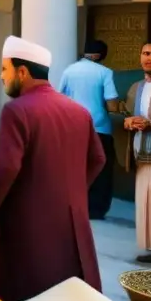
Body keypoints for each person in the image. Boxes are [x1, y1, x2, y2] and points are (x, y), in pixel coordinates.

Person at [0, 36, 104, 301]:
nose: (1, 77)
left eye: (4, 69)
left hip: (26, 221)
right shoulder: (79, 111)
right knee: (68, 296)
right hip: (71, 219)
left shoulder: (17, 110)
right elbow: (98, 159)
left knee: (24, 298)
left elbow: (5, 166)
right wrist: (73, 192)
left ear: (22, 72)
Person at [58, 39, 119, 219]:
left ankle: (74, 206)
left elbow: (60, 98)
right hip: (99, 129)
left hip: (73, 128)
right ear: (101, 55)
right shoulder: (105, 72)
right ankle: (96, 209)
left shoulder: (69, 70)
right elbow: (112, 105)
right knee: (102, 169)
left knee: (76, 168)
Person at [121, 41, 151, 264]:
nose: (148, 57)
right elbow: (126, 113)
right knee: (144, 201)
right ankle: (150, 248)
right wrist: (129, 122)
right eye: (145, 53)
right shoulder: (136, 87)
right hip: (141, 154)